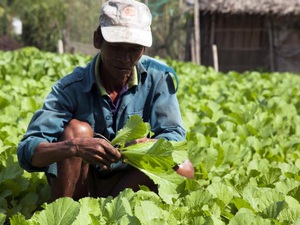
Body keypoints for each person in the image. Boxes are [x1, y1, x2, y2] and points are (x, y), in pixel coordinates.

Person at [17, 0, 194, 201]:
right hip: (80, 181)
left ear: (144, 49)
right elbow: (27, 150)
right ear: (97, 40)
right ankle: (70, 211)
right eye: (116, 47)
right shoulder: (71, 88)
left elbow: (175, 137)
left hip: (127, 181)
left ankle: (114, 208)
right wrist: (75, 147)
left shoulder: (158, 79)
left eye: (134, 49)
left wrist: (146, 144)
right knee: (78, 130)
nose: (125, 59)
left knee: (184, 169)